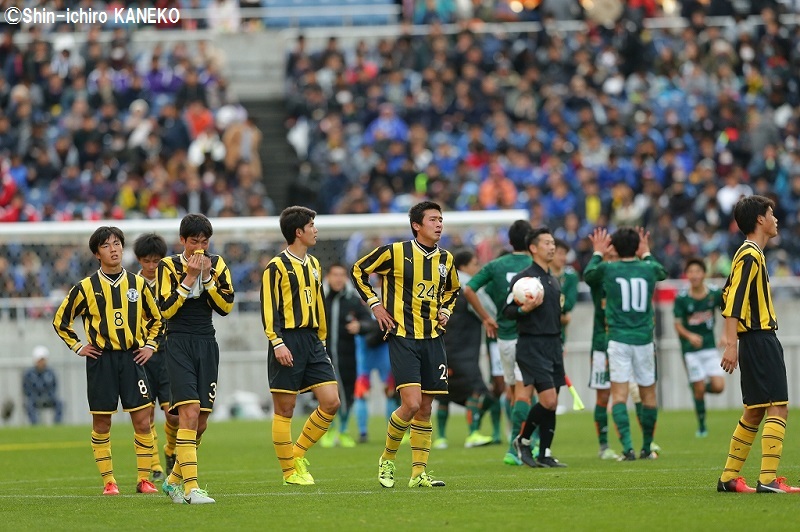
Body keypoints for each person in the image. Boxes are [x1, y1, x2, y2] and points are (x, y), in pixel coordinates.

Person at [351, 201, 460, 488]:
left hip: (433, 339)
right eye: (433, 219)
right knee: (410, 404)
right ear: (417, 225)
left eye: (441, 219)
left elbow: (452, 290)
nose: (439, 224)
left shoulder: (446, 259)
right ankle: (387, 459)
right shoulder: (395, 252)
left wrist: (446, 311)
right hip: (403, 337)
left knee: (425, 408)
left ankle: (418, 473)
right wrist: (375, 305)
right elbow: (358, 270)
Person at [53, 226, 162, 496]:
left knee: (143, 420)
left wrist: (150, 346)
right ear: (96, 253)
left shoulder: (137, 284)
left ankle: (144, 479)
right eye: (106, 245)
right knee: (102, 423)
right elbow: (60, 321)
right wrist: (78, 346)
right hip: (101, 360)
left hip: (132, 357)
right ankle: (109, 482)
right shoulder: (86, 287)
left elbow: (158, 320)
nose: (114, 249)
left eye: (117, 244)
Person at [717, 195, 797, 493]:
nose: (776, 218)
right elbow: (734, 300)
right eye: (771, 213)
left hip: (753, 339)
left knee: (754, 410)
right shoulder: (750, 254)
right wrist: (730, 341)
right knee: (778, 407)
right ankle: (768, 479)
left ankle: (728, 478)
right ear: (760, 220)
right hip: (759, 339)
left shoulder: (747, 254)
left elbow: (724, 294)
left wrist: (734, 338)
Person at [158, 214, 235, 504]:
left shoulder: (217, 265)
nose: (200, 248)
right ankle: (191, 489)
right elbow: (165, 310)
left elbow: (226, 306)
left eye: (205, 242)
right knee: (188, 414)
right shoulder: (168, 266)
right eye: (194, 242)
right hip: (177, 342)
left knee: (200, 423)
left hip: (207, 342)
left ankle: (172, 481)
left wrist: (206, 277)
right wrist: (189, 277)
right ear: (182, 241)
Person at [262, 206, 340, 486]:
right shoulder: (276, 266)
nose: (315, 230)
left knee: (331, 402)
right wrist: (277, 342)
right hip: (287, 340)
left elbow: (318, 304)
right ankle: (289, 473)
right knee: (285, 409)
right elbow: (269, 308)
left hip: (313, 341)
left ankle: (295, 455)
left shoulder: (315, 265)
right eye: (311, 225)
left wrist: (321, 338)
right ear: (299, 232)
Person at [584, 227, 667, 461]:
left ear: (616, 248)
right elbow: (663, 271)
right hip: (643, 340)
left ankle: (628, 449)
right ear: (637, 247)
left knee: (618, 396)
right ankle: (647, 447)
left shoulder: (609, 270)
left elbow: (589, 274)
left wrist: (598, 252)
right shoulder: (648, 268)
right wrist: (647, 253)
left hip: (618, 340)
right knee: (648, 395)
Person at [462, 220, 534, 466]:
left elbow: (469, 289)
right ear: (530, 241)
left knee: (512, 391)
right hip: (530, 337)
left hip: (504, 339)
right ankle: (522, 445)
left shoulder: (495, 265)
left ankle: (514, 443)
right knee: (529, 392)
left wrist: (487, 318)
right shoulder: (535, 265)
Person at [506, 227, 567, 468]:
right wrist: (524, 309)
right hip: (532, 344)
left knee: (553, 401)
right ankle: (522, 440)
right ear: (533, 248)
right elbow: (508, 311)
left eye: (553, 243)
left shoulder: (553, 279)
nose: (552, 247)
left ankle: (545, 453)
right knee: (549, 400)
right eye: (547, 243)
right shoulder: (524, 280)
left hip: (553, 344)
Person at [435, 248, 494, 450]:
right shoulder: (468, 286)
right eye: (475, 264)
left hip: (442, 348)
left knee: (444, 393)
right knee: (478, 391)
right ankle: (473, 433)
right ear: (464, 267)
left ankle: (441, 438)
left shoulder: (441, 286)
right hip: (465, 349)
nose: (478, 268)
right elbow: (486, 311)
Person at [133, 232, 180, 482]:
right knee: (145, 412)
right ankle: (155, 466)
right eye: (146, 261)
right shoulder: (131, 286)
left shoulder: (171, 282)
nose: (151, 266)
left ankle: (170, 450)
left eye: (156, 261)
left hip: (169, 354)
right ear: (139, 260)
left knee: (173, 414)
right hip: (142, 356)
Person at [673, 257, 725, 438]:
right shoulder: (681, 298)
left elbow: (729, 313)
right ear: (687, 275)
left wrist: (726, 334)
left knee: (719, 386)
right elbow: (678, 324)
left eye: (697, 271)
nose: (694, 275)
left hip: (709, 347)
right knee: (699, 387)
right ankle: (702, 425)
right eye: (691, 272)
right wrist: (690, 335)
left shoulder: (714, 293)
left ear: (704, 274)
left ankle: (698, 389)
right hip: (690, 350)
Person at [321, 262, 370, 448]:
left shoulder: (352, 300)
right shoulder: (320, 299)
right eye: (335, 274)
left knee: (347, 394)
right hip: (322, 356)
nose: (338, 278)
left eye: (342, 275)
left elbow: (369, 322)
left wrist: (361, 326)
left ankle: (342, 430)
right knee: (327, 395)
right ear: (328, 277)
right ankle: (328, 430)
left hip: (347, 356)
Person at [584, 243, 621, 460]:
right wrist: (596, 254)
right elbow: (588, 275)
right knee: (603, 395)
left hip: (627, 341)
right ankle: (604, 445)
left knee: (637, 393)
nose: (613, 259)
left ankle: (645, 443)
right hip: (601, 343)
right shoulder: (600, 279)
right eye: (610, 255)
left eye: (616, 255)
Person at [22, 346, 64, 425]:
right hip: (34, 398)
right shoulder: (29, 374)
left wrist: (48, 395)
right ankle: (35, 425)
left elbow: (54, 386)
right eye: (39, 360)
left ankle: (57, 424)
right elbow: (26, 388)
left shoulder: (50, 373)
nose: (41, 362)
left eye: (43, 360)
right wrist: (34, 395)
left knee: (59, 403)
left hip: (48, 397)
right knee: (29, 404)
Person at [552, 239, 579, 344]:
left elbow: (569, 304)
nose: (563, 258)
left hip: (560, 335)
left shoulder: (571, 276)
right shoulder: (543, 275)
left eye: (564, 254)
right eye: (559, 254)